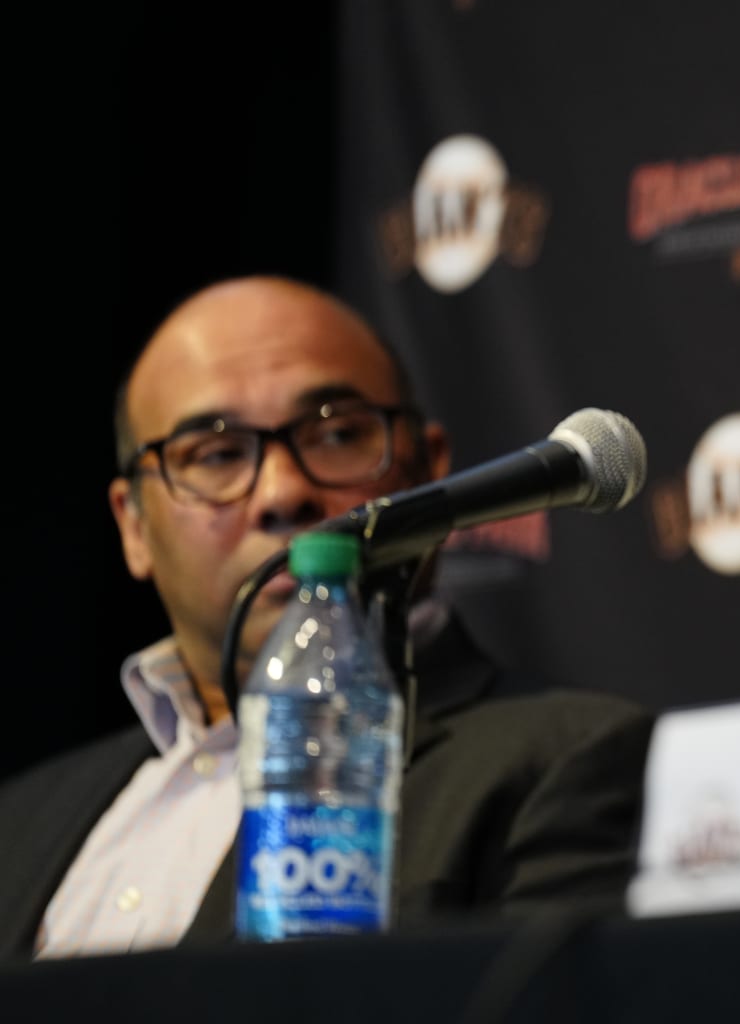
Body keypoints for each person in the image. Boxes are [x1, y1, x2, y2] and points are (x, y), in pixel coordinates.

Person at [0, 274, 655, 959]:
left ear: (426, 467)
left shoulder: (568, 759)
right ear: (133, 525)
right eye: (217, 455)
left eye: (337, 434)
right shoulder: (20, 819)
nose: (284, 494)